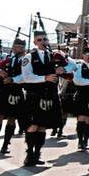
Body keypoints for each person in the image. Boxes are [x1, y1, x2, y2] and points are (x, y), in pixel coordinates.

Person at [20, 31, 66, 167]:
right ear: (35, 42)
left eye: (45, 39)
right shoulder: (29, 57)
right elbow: (26, 76)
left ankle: (37, 153)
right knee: (33, 125)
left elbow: (72, 66)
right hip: (35, 94)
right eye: (39, 40)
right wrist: (44, 78)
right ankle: (29, 153)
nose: (43, 42)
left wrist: (61, 69)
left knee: (42, 125)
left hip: (50, 94)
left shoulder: (54, 56)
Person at [0, 38, 27, 154]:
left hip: (16, 91)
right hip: (2, 91)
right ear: (14, 47)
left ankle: (5, 144)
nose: (22, 50)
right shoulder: (3, 56)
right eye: (19, 47)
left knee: (12, 119)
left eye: (23, 47)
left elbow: (26, 75)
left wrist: (13, 79)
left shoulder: (26, 59)